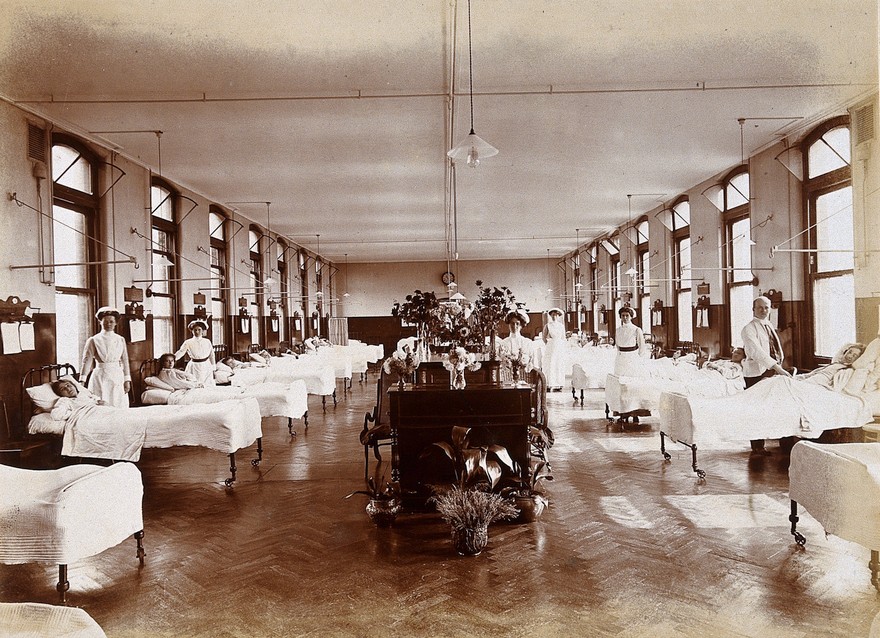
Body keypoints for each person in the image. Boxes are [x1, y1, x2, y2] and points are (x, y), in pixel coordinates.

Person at [741, 295, 790, 452]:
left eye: (767, 307)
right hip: (756, 374)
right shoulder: (748, 329)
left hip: (773, 370)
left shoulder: (768, 325)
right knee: (756, 410)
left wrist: (779, 366)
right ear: (753, 309)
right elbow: (756, 352)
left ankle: (785, 444)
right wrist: (777, 368)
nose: (763, 310)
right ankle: (757, 447)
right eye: (760, 307)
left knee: (779, 406)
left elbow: (774, 348)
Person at [80, 306, 132, 408]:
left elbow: (125, 360)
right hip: (100, 376)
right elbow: (87, 361)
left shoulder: (120, 339)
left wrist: (127, 380)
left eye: (111, 321)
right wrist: (82, 381)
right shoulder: (93, 340)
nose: (108, 324)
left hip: (117, 375)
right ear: (100, 322)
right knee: (102, 403)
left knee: (118, 404)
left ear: (116, 323)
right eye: (105, 321)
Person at [174, 319, 216, 387]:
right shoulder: (188, 342)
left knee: (207, 385)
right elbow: (181, 352)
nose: (197, 332)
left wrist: (213, 368)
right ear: (192, 331)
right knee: (194, 385)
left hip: (206, 366)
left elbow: (212, 355)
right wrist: (172, 358)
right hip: (194, 367)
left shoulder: (207, 341)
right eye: (195, 330)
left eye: (199, 329)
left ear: (202, 331)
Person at [613, 306, 646, 377]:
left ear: (631, 316)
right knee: (619, 377)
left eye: (627, 315)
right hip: (620, 357)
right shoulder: (618, 330)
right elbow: (617, 344)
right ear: (620, 317)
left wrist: (639, 359)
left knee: (631, 376)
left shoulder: (636, 329)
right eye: (623, 315)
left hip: (632, 357)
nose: (625, 317)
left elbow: (642, 346)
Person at [541, 307, 567, 391]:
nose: (554, 316)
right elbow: (544, 337)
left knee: (558, 363)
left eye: (556, 315)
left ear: (558, 316)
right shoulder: (548, 325)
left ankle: (559, 384)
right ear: (550, 316)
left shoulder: (561, 326)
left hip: (559, 345)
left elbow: (563, 337)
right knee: (551, 363)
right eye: (552, 315)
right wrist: (549, 344)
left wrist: (562, 345)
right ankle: (550, 383)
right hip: (551, 346)